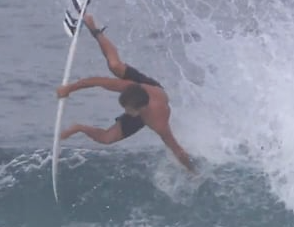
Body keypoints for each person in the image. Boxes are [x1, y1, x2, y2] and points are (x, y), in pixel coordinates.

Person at [56, 13, 195, 173]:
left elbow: (177, 149)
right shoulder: (130, 86)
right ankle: (95, 30)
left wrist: (192, 171)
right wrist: (69, 88)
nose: (125, 112)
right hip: (145, 87)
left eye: (128, 110)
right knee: (115, 66)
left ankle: (78, 127)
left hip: (154, 99)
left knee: (107, 138)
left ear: (140, 109)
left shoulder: (158, 123)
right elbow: (97, 81)